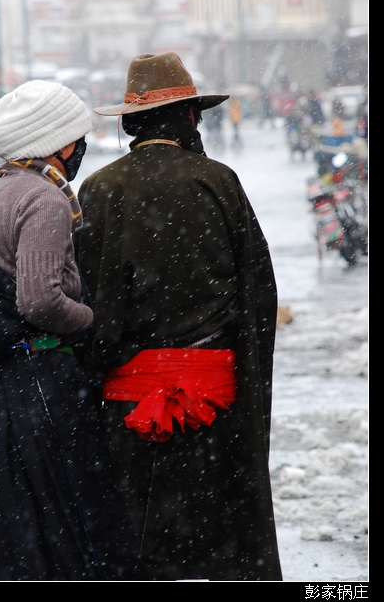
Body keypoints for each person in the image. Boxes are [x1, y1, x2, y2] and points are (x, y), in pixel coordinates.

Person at [74, 52, 283, 581]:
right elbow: (258, 296)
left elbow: (90, 306)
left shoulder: (100, 189)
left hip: (129, 411)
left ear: (129, 122)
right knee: (220, 537)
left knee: (141, 543)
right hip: (216, 408)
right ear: (190, 117)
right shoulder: (219, 181)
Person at [0, 80, 146, 581]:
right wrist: (93, 323)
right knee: (71, 518)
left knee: (10, 519)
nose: (82, 148)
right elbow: (40, 299)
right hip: (41, 387)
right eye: (79, 138)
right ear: (62, 144)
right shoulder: (44, 200)